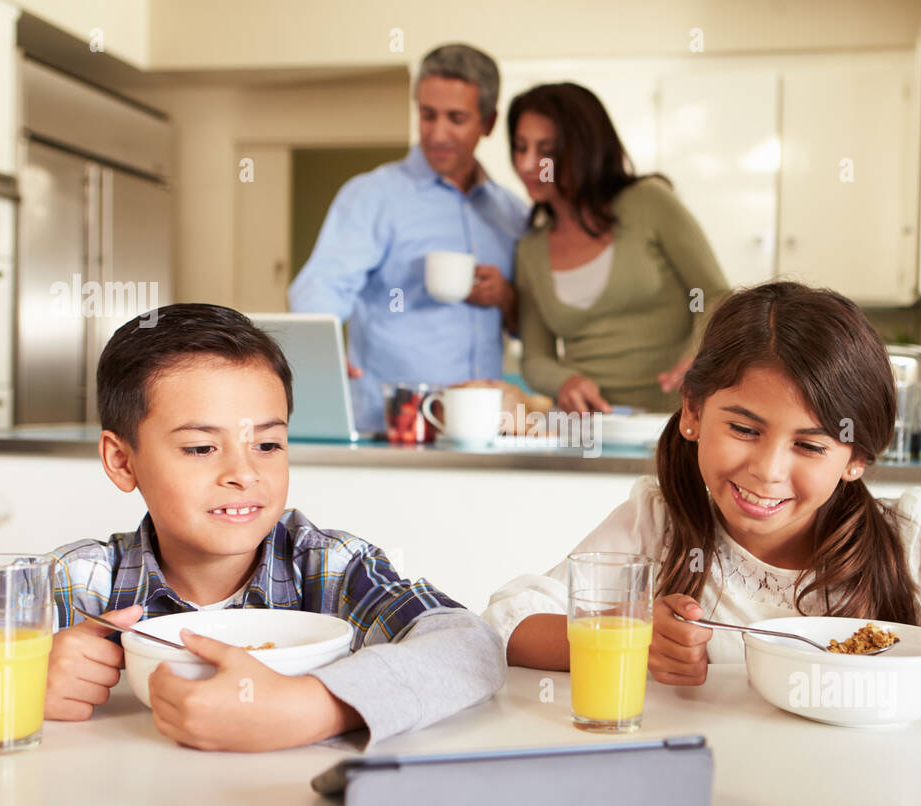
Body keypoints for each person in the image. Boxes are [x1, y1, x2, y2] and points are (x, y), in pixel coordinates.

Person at [482, 282, 921, 690]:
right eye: (743, 428)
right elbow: (507, 622)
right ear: (691, 412)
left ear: (856, 457)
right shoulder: (660, 522)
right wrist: (632, 637)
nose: (768, 471)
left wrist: (911, 650)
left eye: (810, 445)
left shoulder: (904, 542)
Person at [43, 304, 504, 750]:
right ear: (122, 461)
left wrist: (314, 707)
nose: (244, 473)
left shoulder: (331, 569)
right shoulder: (78, 581)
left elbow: (472, 648)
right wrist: (19, 678)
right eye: (202, 448)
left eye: (266, 444)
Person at [288, 44, 527, 433]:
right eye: (427, 115)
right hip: (392, 428)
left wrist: (506, 297)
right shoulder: (373, 195)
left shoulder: (511, 213)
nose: (437, 133)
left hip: (481, 428)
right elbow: (321, 285)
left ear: (488, 122)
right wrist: (324, 357)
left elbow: (531, 325)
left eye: (456, 118)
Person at [507, 82, 730, 415]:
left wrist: (699, 353)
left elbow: (714, 294)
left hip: (675, 417)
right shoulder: (530, 250)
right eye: (520, 147)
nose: (526, 164)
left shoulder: (649, 203)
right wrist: (565, 381)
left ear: (585, 148)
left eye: (546, 151)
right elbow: (537, 357)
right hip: (591, 426)